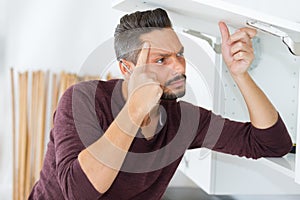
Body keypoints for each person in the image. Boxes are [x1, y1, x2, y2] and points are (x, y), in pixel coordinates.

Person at [29, 8, 292, 200]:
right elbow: (79, 193)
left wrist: (239, 74)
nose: (179, 66)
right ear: (127, 68)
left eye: (179, 54)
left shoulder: (182, 121)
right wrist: (134, 112)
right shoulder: (83, 100)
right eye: (161, 60)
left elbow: (272, 143)